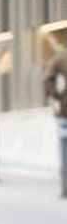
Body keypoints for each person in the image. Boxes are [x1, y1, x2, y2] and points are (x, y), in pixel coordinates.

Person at [45, 47, 67, 198]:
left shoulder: (60, 58)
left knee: (64, 149)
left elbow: (47, 79)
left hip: (64, 111)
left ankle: (65, 188)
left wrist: (57, 97)